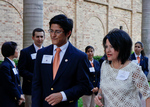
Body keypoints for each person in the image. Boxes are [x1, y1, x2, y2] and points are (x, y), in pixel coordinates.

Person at [32, 14, 92, 107]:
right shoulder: (42, 53)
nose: (53, 35)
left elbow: (84, 86)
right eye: (51, 31)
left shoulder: (79, 56)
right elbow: (36, 84)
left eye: (57, 32)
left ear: (68, 33)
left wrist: (63, 95)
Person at [94, 28, 150, 107]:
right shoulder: (104, 65)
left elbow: (148, 95)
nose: (107, 50)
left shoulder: (133, 69)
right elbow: (102, 86)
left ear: (122, 47)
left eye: (112, 47)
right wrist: (99, 95)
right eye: (106, 46)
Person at [18, 28, 45, 107]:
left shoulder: (48, 52)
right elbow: (21, 70)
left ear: (44, 37)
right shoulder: (25, 52)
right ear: (33, 38)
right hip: (30, 88)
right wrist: (35, 77)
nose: (39, 39)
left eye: (41, 36)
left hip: (44, 89)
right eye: (37, 37)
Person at [0, 41, 25, 107]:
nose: (17, 51)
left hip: (14, 98)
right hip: (7, 99)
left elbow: (18, 82)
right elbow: (9, 83)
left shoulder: (12, 64)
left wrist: (20, 94)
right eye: (16, 49)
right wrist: (18, 95)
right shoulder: (5, 66)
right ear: (11, 51)